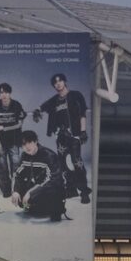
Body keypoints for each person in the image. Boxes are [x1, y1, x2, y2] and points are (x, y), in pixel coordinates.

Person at [32, 73, 91, 204]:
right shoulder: (54, 100)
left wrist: (83, 131)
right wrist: (37, 110)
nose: (58, 84)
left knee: (77, 163)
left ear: (65, 81)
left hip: (74, 135)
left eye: (60, 81)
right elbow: (42, 107)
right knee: (63, 164)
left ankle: (84, 191)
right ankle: (71, 189)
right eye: (55, 83)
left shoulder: (76, 95)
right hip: (61, 137)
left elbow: (82, 114)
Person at [11, 131, 67, 221]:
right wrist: (16, 191)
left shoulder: (49, 155)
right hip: (38, 187)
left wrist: (31, 193)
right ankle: (35, 207)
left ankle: (56, 210)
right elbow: (18, 175)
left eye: (29, 143)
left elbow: (54, 179)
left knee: (54, 190)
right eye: (23, 145)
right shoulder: (24, 156)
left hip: (52, 187)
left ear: (35, 141)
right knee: (21, 198)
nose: (26, 147)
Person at [0, 82, 26, 198]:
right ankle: (6, 191)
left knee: (17, 166)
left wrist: (3, 128)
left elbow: (19, 124)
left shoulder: (16, 105)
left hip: (14, 141)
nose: (4, 95)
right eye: (1, 92)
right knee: (0, 166)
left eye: (6, 92)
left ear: (10, 93)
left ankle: (17, 189)